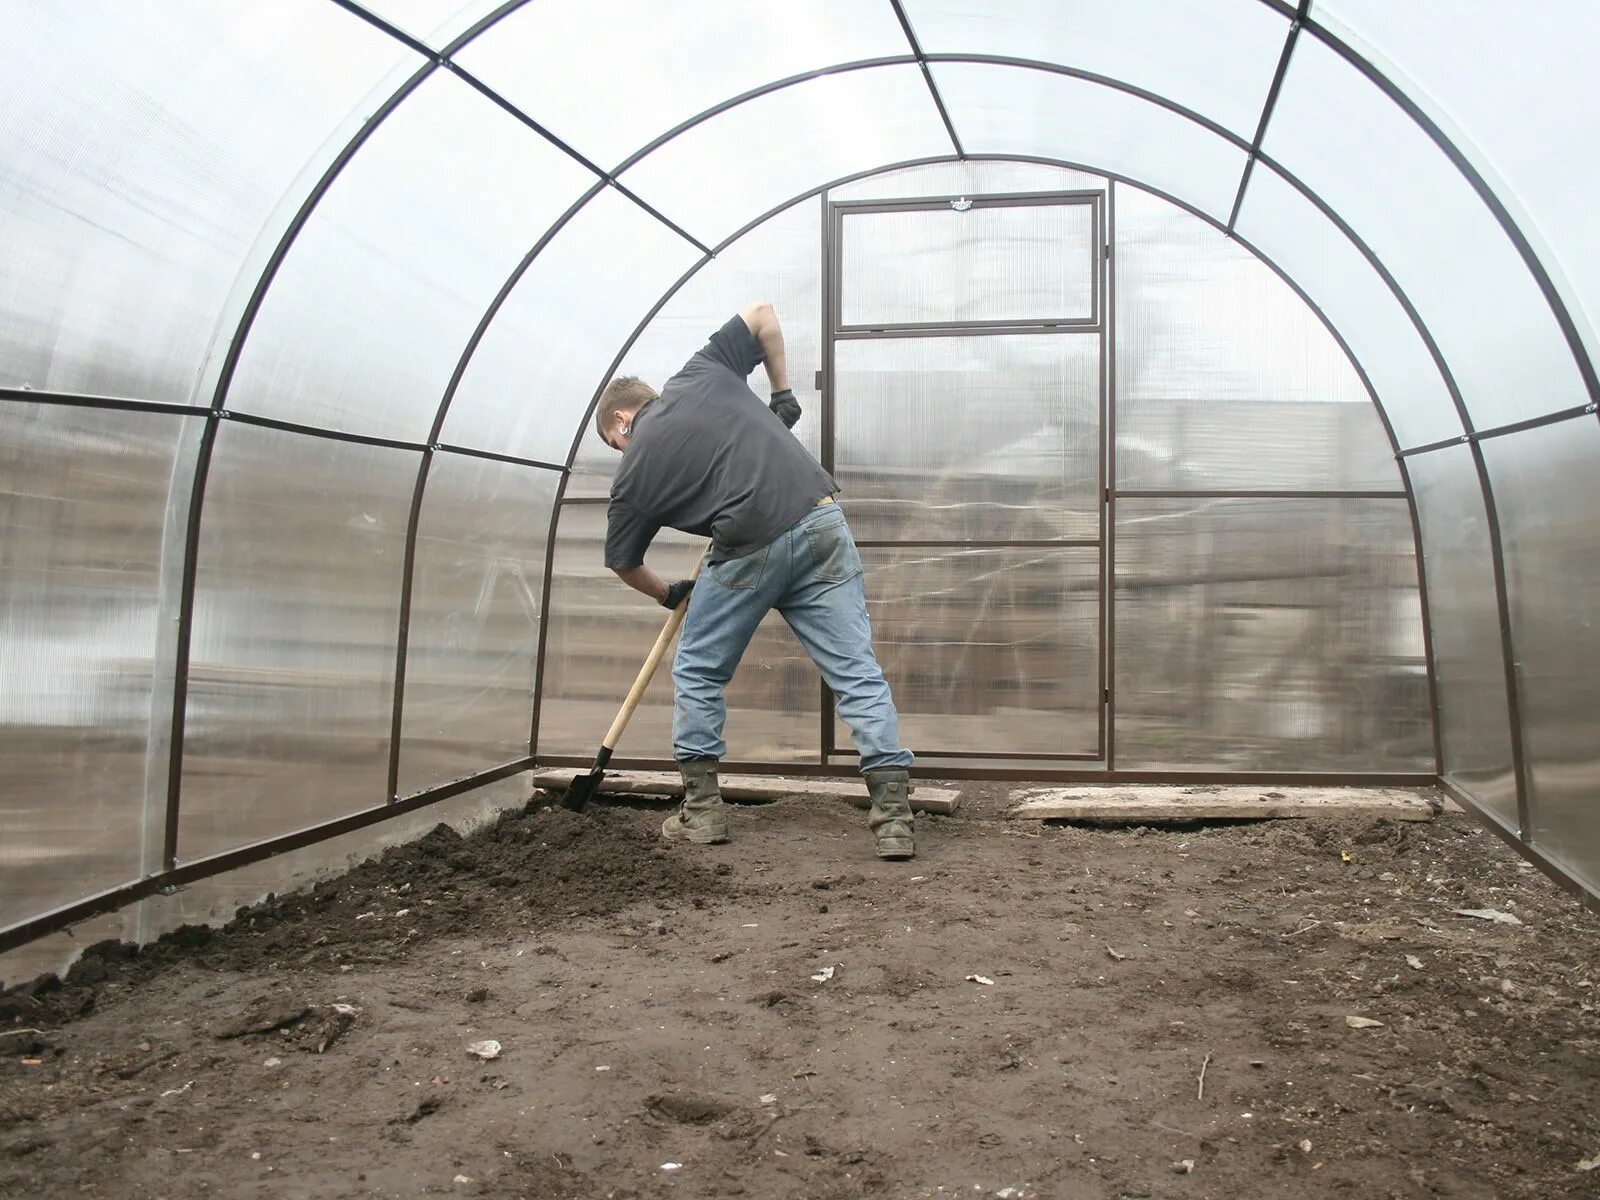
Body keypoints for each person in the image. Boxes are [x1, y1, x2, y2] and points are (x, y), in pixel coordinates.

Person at [595, 300, 916, 859]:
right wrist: (781, 394)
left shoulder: (632, 476)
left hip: (748, 548)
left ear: (622, 421)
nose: (622, 452)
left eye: (614, 442)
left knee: (698, 669)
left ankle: (701, 813)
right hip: (820, 522)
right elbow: (763, 314)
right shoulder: (702, 371)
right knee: (856, 672)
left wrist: (670, 593)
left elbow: (623, 562)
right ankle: (892, 819)